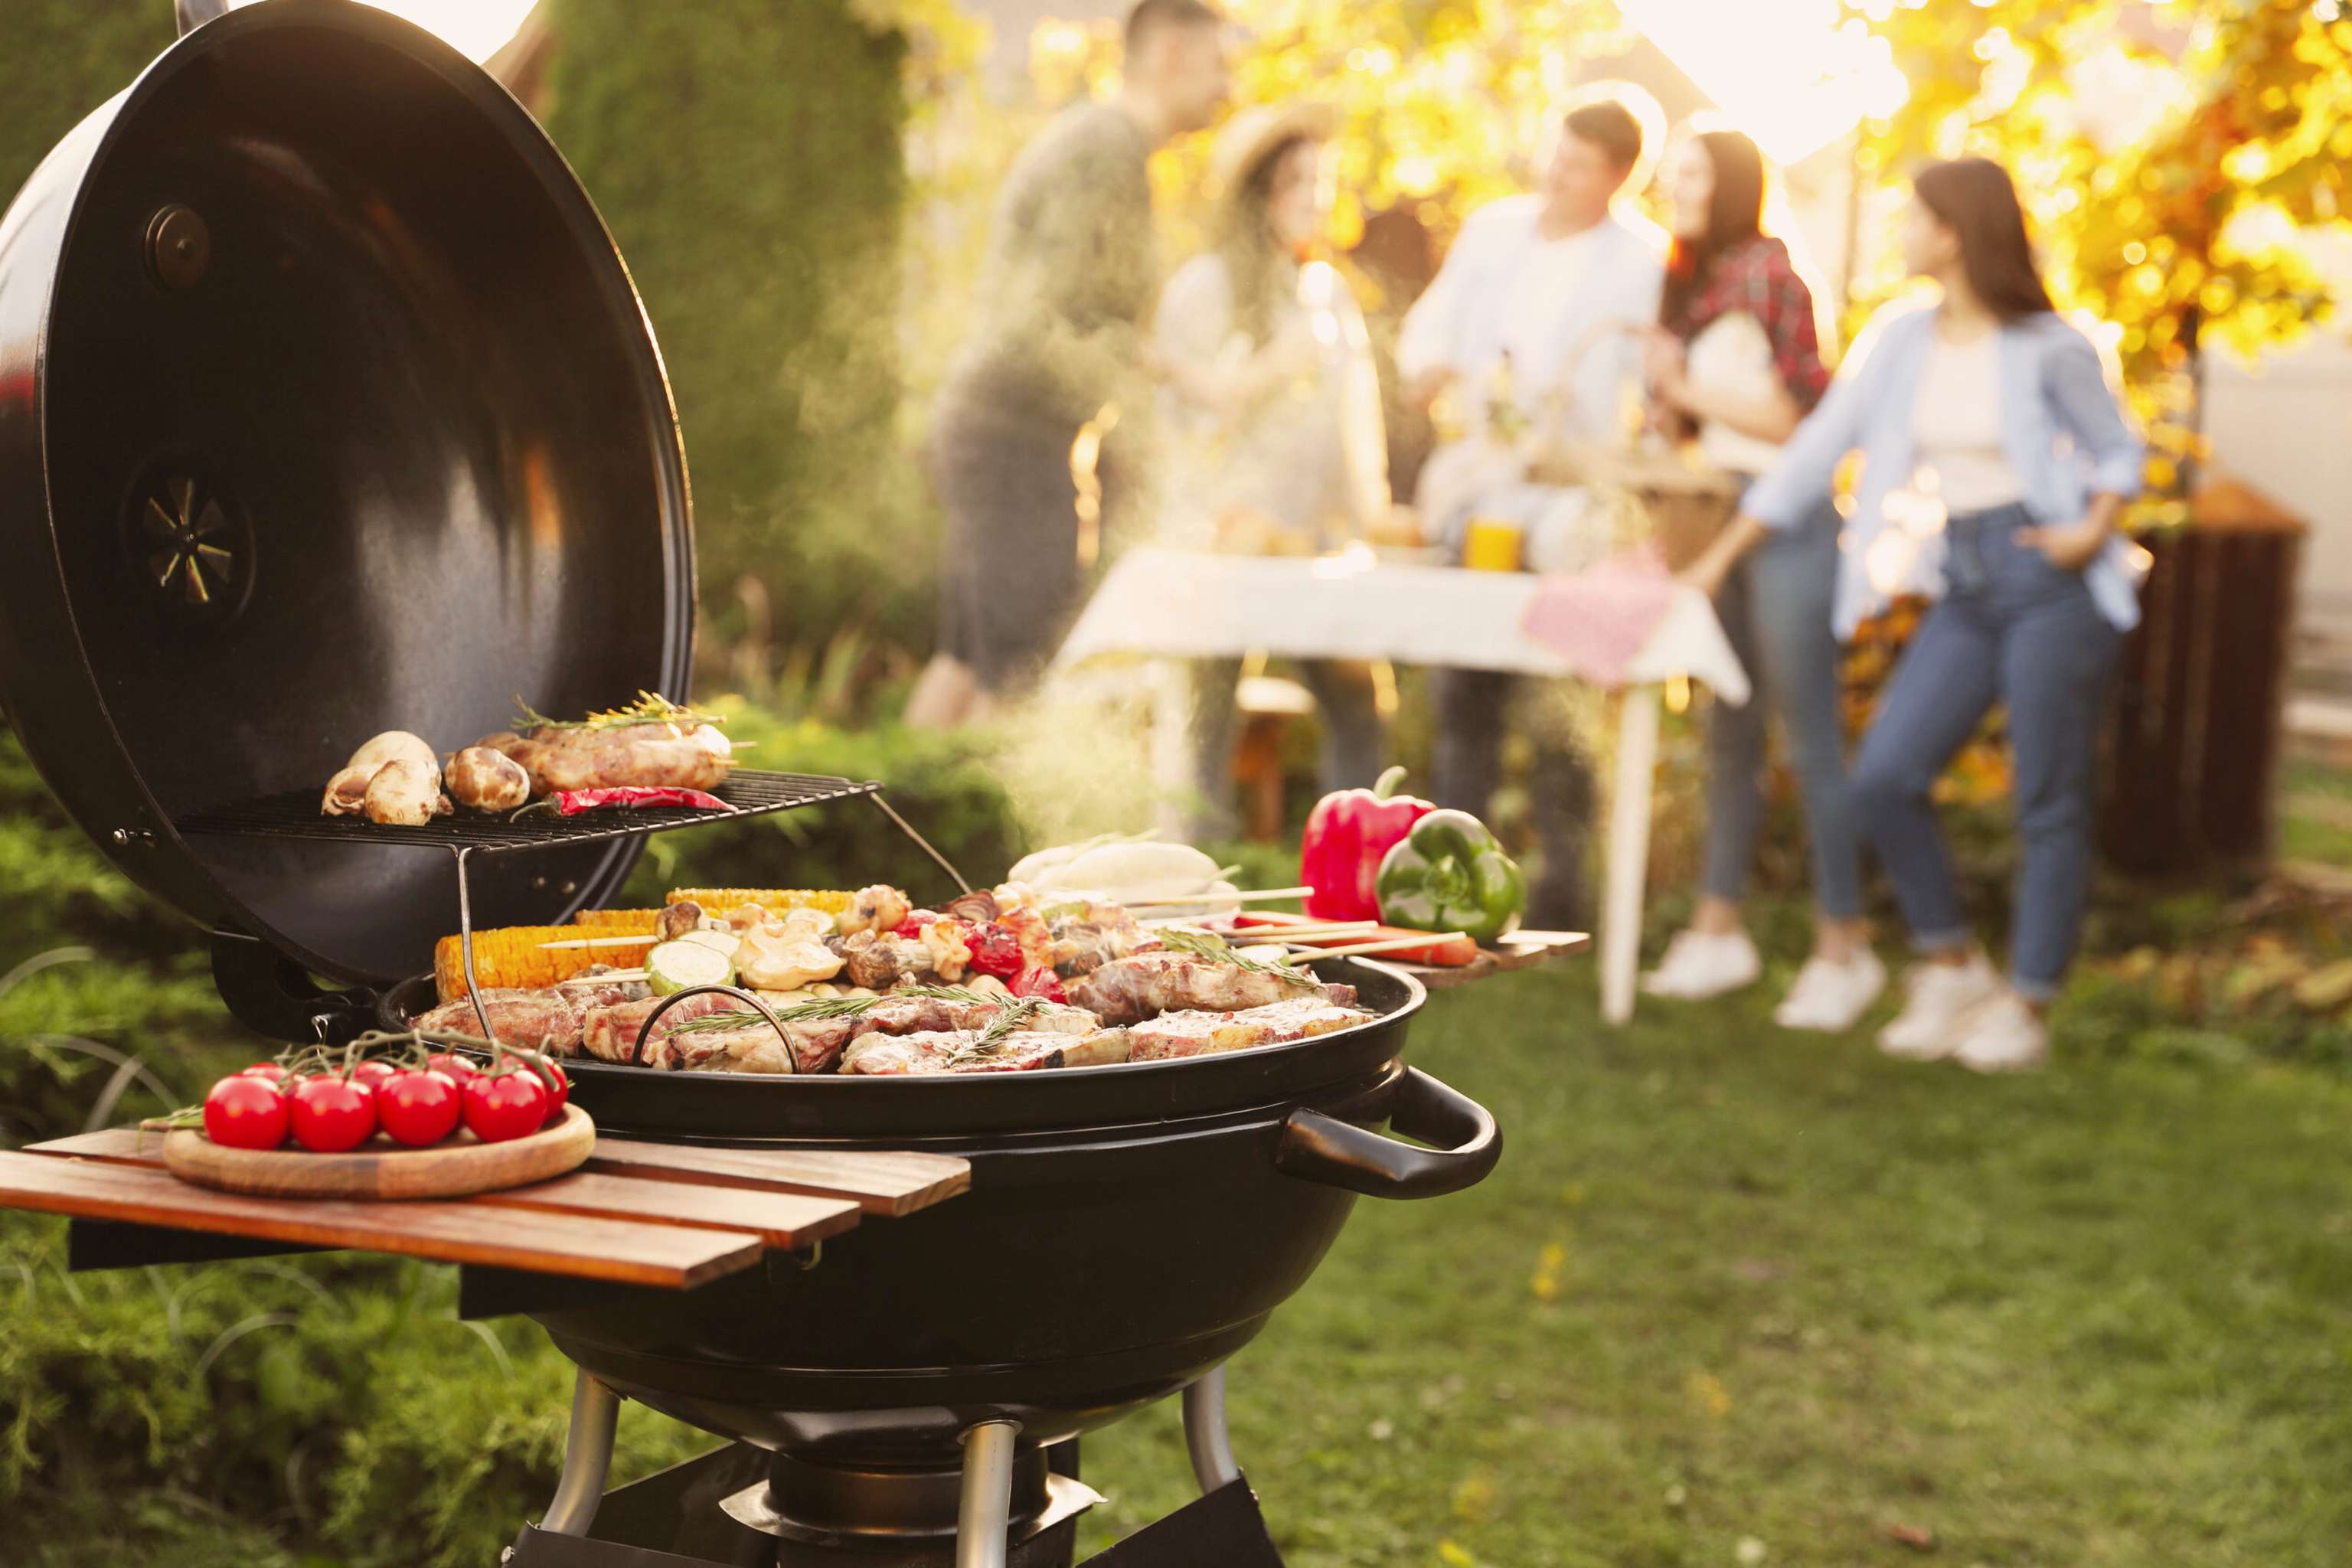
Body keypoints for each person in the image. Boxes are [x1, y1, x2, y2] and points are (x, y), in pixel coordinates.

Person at [1679, 156, 2145, 1071]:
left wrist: (2089, 531)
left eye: (1912, 215)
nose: (1898, 228)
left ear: (1955, 232)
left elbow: (2117, 452)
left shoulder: (2050, 345)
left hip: (2049, 581)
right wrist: (1719, 557)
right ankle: (1953, 964)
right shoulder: (1900, 338)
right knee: (1884, 776)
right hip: (1967, 579)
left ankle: (2029, 1001)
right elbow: (1815, 450)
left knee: (2046, 798)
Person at [908, 0, 1231, 728]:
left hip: (992, 429)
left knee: (966, 662)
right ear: (1171, 52)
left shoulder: (1103, 144)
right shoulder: (1106, 149)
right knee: (1014, 680)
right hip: (1019, 436)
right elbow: (1047, 321)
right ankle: (981, 842)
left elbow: (1079, 314)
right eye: (1220, 64)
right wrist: (1165, 402)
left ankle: (893, 835)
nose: (1228, 85)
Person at [1396, 93, 1665, 926]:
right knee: (1467, 688)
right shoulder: (1495, 231)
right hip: (1481, 485)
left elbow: (1652, 390)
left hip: (1569, 501)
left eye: (1581, 165)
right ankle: (1446, 879)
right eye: (1558, 153)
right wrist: (1431, 364)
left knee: (1559, 695)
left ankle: (1560, 885)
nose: (1558, 174)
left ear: (1619, 178)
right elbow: (1432, 323)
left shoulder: (1642, 262)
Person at [1636, 127, 1885, 1031]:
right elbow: (1701, 433)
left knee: (1809, 737)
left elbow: (1793, 423)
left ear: (1736, 183)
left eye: (1694, 172)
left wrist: (1687, 390)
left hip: (1788, 526)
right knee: (1728, 732)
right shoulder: (1696, 288)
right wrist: (1666, 399)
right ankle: (1717, 927)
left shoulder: (1771, 277)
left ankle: (1843, 944)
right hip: (1716, 517)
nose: (1676, 186)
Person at [1153, 102, 1390, 838]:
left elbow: (1355, 424)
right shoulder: (1206, 286)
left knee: (1359, 705)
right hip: (1225, 541)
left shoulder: (1326, 292)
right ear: (1255, 192)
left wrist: (1369, 516)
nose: (1314, 199)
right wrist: (1264, 372)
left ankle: (1361, 870)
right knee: (1206, 718)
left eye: (1322, 182)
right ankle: (1192, 888)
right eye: (1296, 181)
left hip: (1312, 544)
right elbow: (1181, 425)